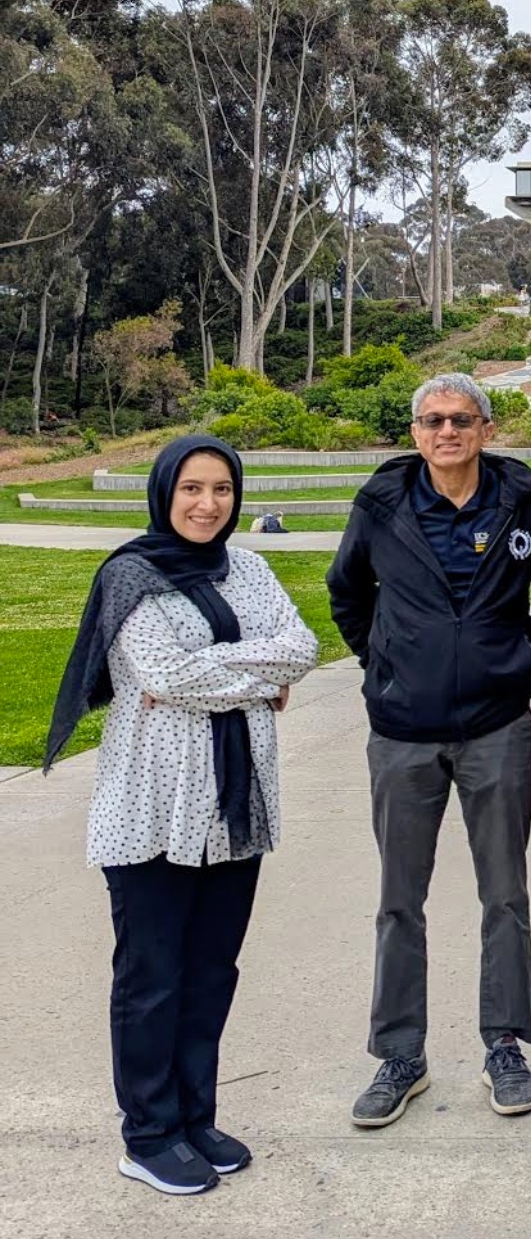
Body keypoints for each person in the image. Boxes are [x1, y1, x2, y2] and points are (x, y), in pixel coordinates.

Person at [47, 436, 318, 1195]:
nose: (207, 504)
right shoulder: (132, 576)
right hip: (152, 810)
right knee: (152, 977)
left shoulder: (251, 566)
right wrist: (258, 681)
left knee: (209, 972)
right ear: (165, 491)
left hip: (235, 809)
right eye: (192, 488)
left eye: (222, 490)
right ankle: (148, 1133)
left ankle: (194, 1116)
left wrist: (232, 677)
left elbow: (301, 647)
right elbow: (163, 673)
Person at [327, 374, 531, 1128]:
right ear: (415, 433)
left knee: (505, 895)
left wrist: (525, 662)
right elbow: (347, 592)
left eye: (461, 419)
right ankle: (400, 1056)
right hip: (404, 734)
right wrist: (387, 665)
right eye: (432, 420)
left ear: (487, 429)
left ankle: (505, 1044)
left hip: (497, 727)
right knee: (400, 901)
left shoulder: (526, 505)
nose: (447, 432)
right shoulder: (381, 507)